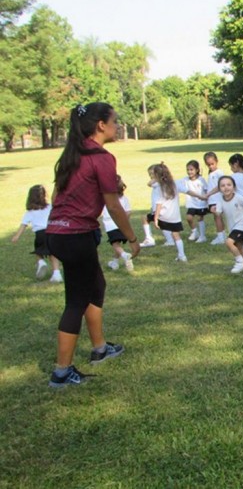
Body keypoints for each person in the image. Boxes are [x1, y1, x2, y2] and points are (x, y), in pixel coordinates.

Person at [46, 102, 140, 388]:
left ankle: (100, 349)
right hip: (76, 237)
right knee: (76, 301)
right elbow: (113, 205)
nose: (117, 126)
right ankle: (62, 372)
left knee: (96, 286)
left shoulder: (72, 154)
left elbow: (55, 198)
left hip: (58, 233)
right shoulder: (101, 157)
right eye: (114, 121)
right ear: (101, 125)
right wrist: (132, 238)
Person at [11, 184, 63, 283]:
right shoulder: (50, 207)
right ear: (44, 195)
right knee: (52, 253)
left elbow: (23, 225)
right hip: (51, 233)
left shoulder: (29, 212)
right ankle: (57, 274)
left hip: (40, 234)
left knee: (38, 251)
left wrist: (16, 236)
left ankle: (41, 262)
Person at [216, 175, 243, 277]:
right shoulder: (220, 200)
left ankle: (240, 262)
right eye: (223, 185)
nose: (226, 187)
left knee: (228, 242)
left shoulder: (238, 197)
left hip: (242, 225)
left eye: (229, 185)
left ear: (234, 187)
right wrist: (215, 212)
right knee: (240, 249)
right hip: (232, 227)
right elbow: (218, 214)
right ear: (219, 189)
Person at [152, 163, 187, 262]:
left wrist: (156, 218)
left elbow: (159, 204)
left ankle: (177, 250)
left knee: (147, 218)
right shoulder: (174, 184)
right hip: (175, 217)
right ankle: (182, 255)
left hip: (164, 216)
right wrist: (201, 197)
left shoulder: (160, 187)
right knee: (176, 235)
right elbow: (188, 191)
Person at [102, 175, 135, 273]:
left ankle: (125, 255)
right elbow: (128, 212)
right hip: (121, 224)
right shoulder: (124, 198)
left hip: (110, 224)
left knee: (115, 244)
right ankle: (115, 262)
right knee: (118, 243)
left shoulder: (106, 198)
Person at [139, 164, 175, 248]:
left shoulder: (157, 183)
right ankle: (168, 239)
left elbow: (149, 183)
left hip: (160, 209)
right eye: (149, 174)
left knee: (161, 224)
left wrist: (156, 178)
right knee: (158, 223)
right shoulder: (163, 183)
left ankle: (166, 240)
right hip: (160, 209)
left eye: (152, 174)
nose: (151, 176)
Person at [180, 160, 208, 243]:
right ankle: (194, 231)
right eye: (188, 170)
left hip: (201, 204)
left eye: (191, 169)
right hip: (191, 204)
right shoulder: (185, 180)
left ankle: (202, 236)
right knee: (189, 218)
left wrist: (206, 198)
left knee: (200, 218)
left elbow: (206, 189)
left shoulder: (201, 180)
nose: (189, 172)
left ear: (197, 170)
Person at [202, 152, 226, 245]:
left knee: (218, 218)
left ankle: (221, 237)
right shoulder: (211, 173)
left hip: (217, 199)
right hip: (213, 199)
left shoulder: (219, 173)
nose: (211, 166)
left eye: (212, 164)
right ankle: (222, 235)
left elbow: (221, 185)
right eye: (208, 165)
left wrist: (209, 194)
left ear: (216, 161)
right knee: (217, 218)